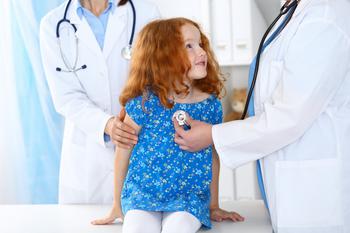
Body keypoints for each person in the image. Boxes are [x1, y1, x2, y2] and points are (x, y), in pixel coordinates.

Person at [171, 0, 350, 233]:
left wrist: (214, 135)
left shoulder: (323, 18)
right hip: (290, 186)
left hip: (313, 197)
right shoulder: (295, 12)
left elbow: (289, 117)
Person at [91, 18, 244, 232]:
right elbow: (123, 150)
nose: (201, 52)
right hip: (142, 194)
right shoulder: (144, 103)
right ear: (163, 56)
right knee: (136, 228)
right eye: (189, 46)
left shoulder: (209, 105)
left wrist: (213, 206)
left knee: (179, 228)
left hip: (187, 197)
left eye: (200, 45)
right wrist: (117, 204)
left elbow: (212, 156)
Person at [39, 0, 160, 204]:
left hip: (140, 142)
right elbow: (66, 96)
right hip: (86, 156)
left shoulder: (146, 13)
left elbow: (161, 79)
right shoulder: (53, 24)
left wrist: (129, 120)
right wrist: (106, 124)